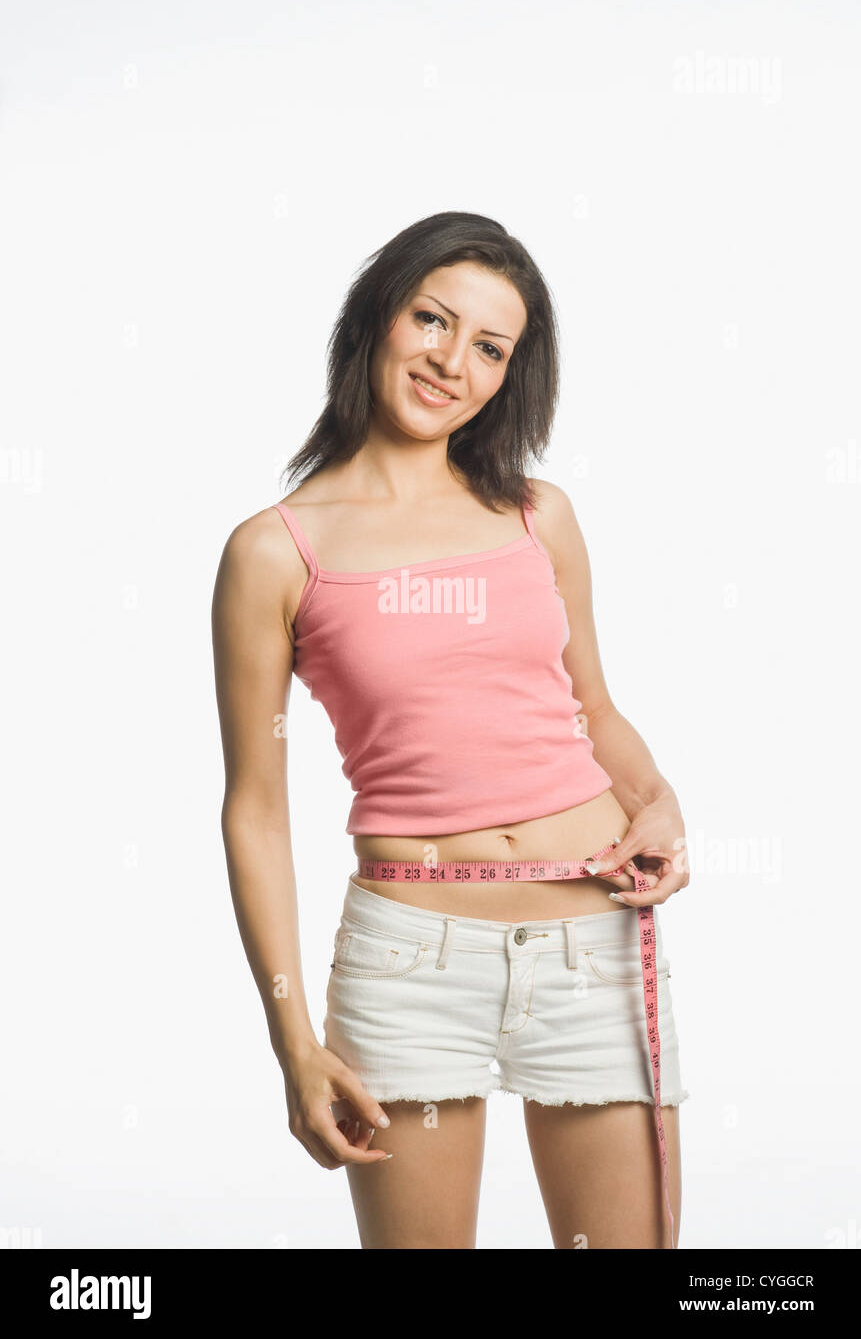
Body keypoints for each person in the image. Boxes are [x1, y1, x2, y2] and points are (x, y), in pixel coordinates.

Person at [211, 211, 690, 1250]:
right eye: (433, 319)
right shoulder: (274, 551)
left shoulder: (535, 514)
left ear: (510, 374)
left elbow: (593, 709)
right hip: (408, 966)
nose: (450, 361)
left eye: (489, 347)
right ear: (380, 314)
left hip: (590, 947)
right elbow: (254, 807)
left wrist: (659, 802)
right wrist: (293, 1040)